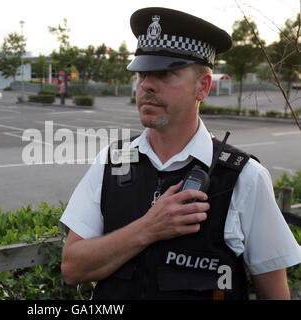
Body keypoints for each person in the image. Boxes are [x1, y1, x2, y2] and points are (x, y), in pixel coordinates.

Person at [59, 7, 301, 300]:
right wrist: (149, 228)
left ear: (203, 87)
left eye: (164, 74)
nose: (146, 84)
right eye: (142, 73)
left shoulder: (243, 177)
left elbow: (275, 293)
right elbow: (72, 268)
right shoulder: (112, 161)